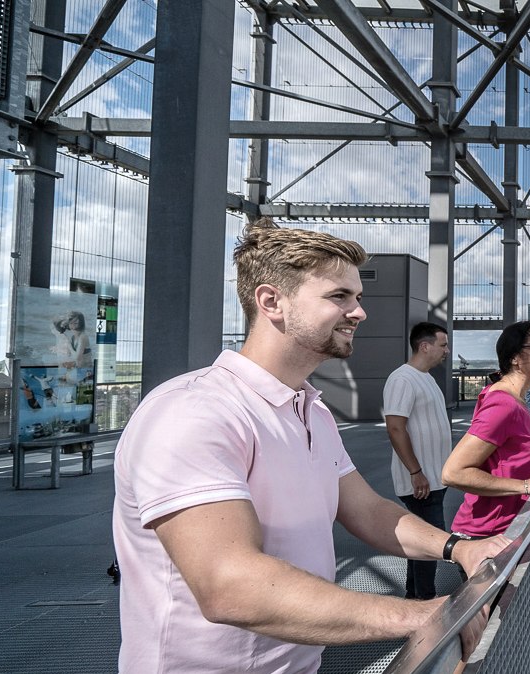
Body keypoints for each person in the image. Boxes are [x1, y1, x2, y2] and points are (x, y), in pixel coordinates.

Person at [112, 220, 507, 673]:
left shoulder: (310, 411)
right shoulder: (194, 413)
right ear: (271, 301)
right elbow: (228, 585)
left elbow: (366, 510)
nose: (359, 312)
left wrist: (460, 548)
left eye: (357, 298)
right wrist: (420, 614)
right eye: (339, 297)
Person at [441, 320, 530, 539]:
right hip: (489, 537)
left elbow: (501, 460)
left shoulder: (514, 400)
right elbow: (453, 473)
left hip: (504, 531)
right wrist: (527, 485)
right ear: (515, 359)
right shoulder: (504, 405)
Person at [382, 322, 455, 600]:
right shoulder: (403, 379)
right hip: (421, 482)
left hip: (433, 479)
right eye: (443, 345)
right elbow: (395, 427)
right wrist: (416, 471)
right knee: (430, 544)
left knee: (421, 543)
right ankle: (425, 604)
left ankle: (415, 597)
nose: (446, 350)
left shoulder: (425, 377)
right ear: (425, 346)